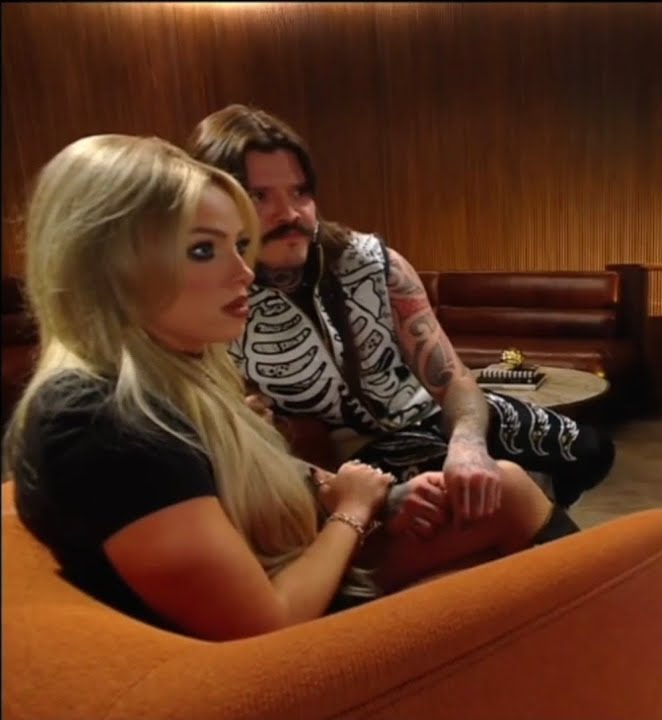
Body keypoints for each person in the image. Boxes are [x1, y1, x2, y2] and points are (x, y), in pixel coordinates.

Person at [185, 104, 662, 678]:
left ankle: (545, 542)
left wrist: (467, 442)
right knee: (501, 487)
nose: (291, 213)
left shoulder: (371, 262)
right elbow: (250, 451)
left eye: (300, 192)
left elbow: (456, 379)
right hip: (361, 459)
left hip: (424, 417)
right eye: (260, 196)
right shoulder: (217, 304)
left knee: (589, 448)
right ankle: (653, 624)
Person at [4, 134, 580, 639]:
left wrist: (370, 497)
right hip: (287, 643)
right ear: (107, 264)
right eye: (203, 250)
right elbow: (268, 624)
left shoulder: (175, 368)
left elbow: (240, 475)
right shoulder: (100, 423)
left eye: (239, 244)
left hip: (301, 553)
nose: (242, 272)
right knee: (577, 534)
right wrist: (354, 512)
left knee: (512, 483)